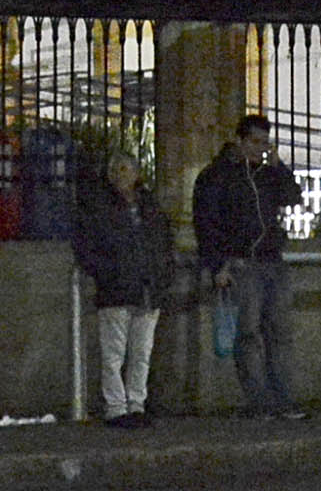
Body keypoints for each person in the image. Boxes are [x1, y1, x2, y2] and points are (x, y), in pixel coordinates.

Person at [191, 112, 305, 418]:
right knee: (249, 335)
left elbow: (293, 196)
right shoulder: (217, 176)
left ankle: (283, 399)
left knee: (279, 333)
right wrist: (218, 266)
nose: (260, 149)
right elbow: (206, 225)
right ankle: (260, 402)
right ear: (239, 141)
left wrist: (279, 167)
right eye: (255, 142)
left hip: (271, 260)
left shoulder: (266, 175)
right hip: (241, 263)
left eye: (265, 144)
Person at [73, 151, 178, 427]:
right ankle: (117, 407)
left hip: (146, 287)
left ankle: (135, 404)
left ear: (136, 173)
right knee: (114, 354)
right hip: (117, 289)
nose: (122, 175)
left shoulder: (149, 207)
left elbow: (164, 244)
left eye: (126, 169)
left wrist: (162, 275)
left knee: (141, 353)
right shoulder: (101, 207)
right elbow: (87, 246)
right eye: (117, 170)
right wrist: (107, 273)